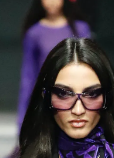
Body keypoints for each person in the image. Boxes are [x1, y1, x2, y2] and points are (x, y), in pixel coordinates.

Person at [18, 0, 90, 129]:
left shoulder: (80, 28)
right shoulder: (34, 33)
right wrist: (23, 120)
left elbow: (90, 65)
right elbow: (29, 74)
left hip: (76, 94)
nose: (51, 2)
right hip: (46, 99)